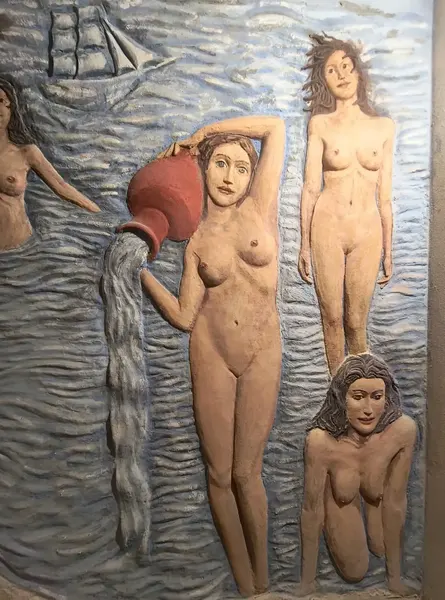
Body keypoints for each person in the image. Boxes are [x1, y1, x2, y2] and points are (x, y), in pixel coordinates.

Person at [140, 115, 286, 596]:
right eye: (219, 164)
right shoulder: (197, 241)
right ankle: (246, 584)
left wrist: (203, 134)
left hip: (262, 349)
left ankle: (263, 579)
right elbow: (185, 316)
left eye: (241, 168)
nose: (229, 177)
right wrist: (141, 275)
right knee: (220, 473)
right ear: (203, 171)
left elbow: (275, 127)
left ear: (252, 176)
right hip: (212, 352)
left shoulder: (261, 208)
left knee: (248, 473)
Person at [298, 34, 396, 375]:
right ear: (323, 80)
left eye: (345, 66)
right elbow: (311, 187)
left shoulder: (384, 127)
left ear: (357, 71)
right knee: (331, 317)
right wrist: (303, 245)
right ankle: (338, 393)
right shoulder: (320, 124)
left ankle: (359, 391)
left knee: (356, 320)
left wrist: (388, 250)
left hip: (367, 229)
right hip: (328, 225)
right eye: (331, 70)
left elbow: (385, 196)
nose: (340, 74)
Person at [298, 353, 417, 598]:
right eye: (358, 397)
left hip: (378, 497)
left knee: (381, 546)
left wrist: (394, 579)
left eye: (377, 397)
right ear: (341, 398)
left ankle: (371, 510)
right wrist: (307, 581)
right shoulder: (321, 442)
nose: (368, 410)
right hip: (342, 498)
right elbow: (312, 510)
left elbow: (396, 503)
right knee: (355, 570)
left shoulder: (402, 432)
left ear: (387, 397)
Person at [0, 76, 99, 251]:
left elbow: (62, 186)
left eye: (1, 101)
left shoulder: (26, 153)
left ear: (11, 108)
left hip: (22, 253)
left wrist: (99, 215)